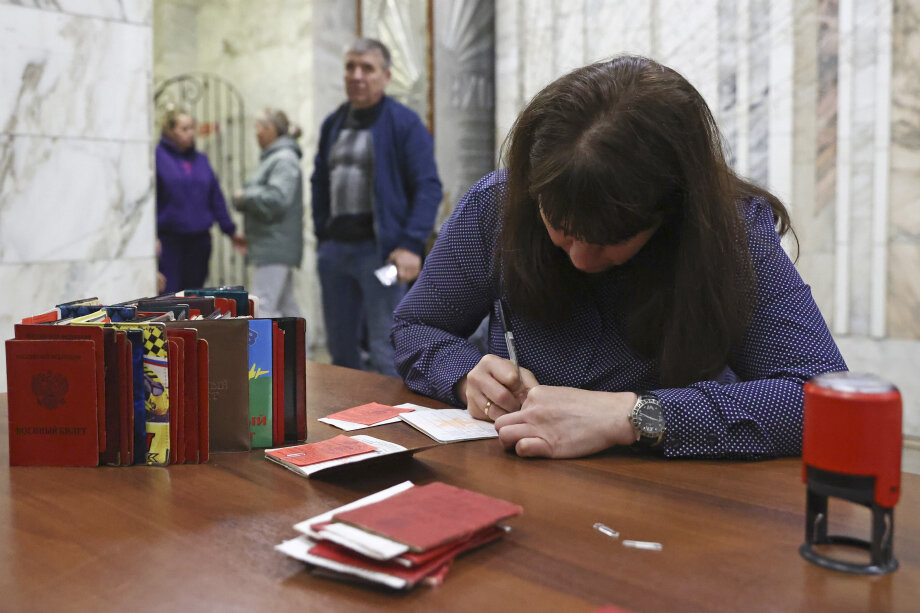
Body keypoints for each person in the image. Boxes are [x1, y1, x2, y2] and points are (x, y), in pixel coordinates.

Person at [391, 56, 848, 460]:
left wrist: (632, 416)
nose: (581, 259)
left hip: (678, 501)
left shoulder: (729, 233)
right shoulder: (496, 206)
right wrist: (466, 377)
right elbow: (415, 328)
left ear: (670, 209)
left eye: (612, 239)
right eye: (562, 230)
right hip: (521, 483)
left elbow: (820, 402)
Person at [311, 38, 442, 376]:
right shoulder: (332, 124)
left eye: (367, 68)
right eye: (350, 67)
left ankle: (391, 426)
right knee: (340, 350)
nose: (356, 75)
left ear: (385, 76)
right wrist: (322, 234)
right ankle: (347, 424)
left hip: (381, 254)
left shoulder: (405, 124)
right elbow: (319, 181)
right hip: (335, 253)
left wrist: (411, 244)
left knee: (387, 348)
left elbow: (428, 186)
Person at [156, 107, 245, 293]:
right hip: (170, 241)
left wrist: (230, 230)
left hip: (199, 242)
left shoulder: (201, 160)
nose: (190, 134)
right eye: (184, 129)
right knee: (170, 296)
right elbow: (151, 201)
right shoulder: (158, 158)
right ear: (170, 131)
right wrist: (152, 237)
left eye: (192, 128)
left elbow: (215, 197)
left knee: (194, 297)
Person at [233, 108, 305, 320]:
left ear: (270, 129)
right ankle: (302, 351)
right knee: (286, 307)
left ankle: (264, 353)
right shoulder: (274, 158)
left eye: (258, 127)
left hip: (275, 244)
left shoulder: (283, 159)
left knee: (263, 307)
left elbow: (277, 198)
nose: (255, 133)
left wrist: (244, 196)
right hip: (272, 243)